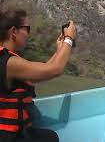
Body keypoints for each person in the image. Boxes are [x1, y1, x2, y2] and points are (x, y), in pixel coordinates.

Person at [0, 8, 77, 142]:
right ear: (14, 31)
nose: (28, 34)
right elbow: (55, 69)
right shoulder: (9, 63)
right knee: (52, 138)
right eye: (27, 29)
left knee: (50, 136)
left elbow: (45, 69)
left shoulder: (7, 60)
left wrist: (59, 50)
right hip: (8, 137)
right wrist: (69, 39)